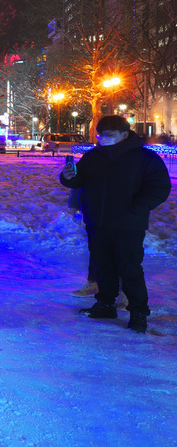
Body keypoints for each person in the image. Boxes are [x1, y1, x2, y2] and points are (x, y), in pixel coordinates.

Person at [60, 115, 171, 333]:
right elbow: (78, 180)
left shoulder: (145, 158)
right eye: (100, 135)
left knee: (130, 269)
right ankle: (105, 304)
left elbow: (160, 187)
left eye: (108, 135)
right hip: (97, 222)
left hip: (128, 224)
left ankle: (138, 312)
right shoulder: (94, 156)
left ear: (124, 134)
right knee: (103, 266)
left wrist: (138, 207)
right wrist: (68, 176)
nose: (103, 139)